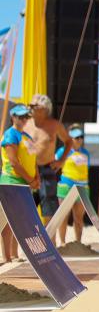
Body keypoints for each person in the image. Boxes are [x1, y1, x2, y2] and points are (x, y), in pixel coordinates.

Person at [25, 95, 73, 227]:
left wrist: (61, 160)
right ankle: (30, 241)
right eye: (30, 105)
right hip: (28, 171)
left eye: (34, 106)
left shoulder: (54, 125)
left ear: (44, 109)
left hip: (47, 169)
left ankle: (50, 243)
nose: (30, 108)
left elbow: (69, 142)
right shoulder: (25, 124)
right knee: (26, 208)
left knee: (49, 209)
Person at [1, 105, 37, 263]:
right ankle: (6, 256)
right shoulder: (10, 134)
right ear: (13, 117)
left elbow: (32, 159)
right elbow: (14, 162)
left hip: (24, 182)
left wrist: (37, 178)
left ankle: (15, 254)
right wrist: (30, 179)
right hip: (11, 180)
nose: (24, 120)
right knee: (8, 221)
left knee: (19, 219)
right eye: (21, 117)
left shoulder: (26, 136)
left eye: (26, 117)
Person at [56, 126, 91, 244]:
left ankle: (78, 242)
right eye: (77, 137)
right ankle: (62, 242)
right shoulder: (62, 151)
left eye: (81, 137)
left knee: (79, 218)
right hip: (66, 187)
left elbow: (86, 170)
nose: (80, 140)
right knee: (63, 217)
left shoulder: (86, 153)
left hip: (82, 187)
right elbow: (56, 166)